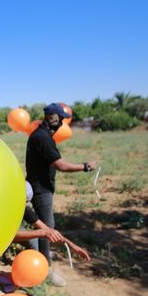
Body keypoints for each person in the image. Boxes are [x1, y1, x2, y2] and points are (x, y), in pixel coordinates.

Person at [25, 105, 97, 286]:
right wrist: (85, 166)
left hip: (40, 186)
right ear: (51, 117)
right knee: (47, 228)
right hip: (41, 188)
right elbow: (62, 165)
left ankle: (43, 254)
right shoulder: (43, 138)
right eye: (60, 118)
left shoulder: (41, 135)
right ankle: (45, 270)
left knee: (43, 225)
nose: (62, 122)